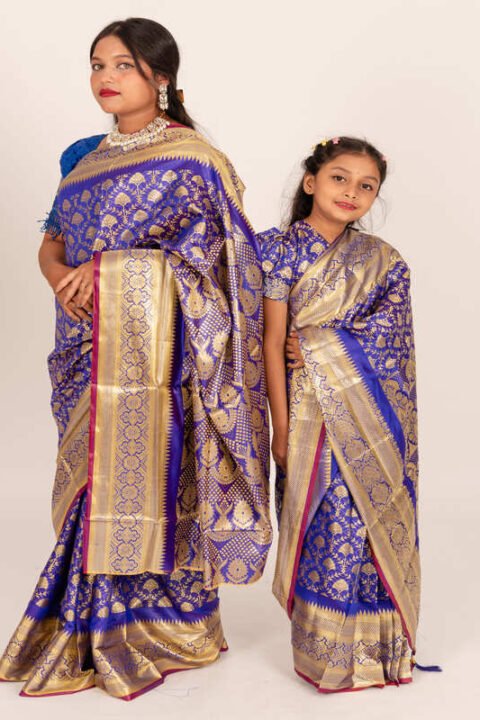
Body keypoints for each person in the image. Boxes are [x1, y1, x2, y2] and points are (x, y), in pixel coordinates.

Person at [0, 17, 271, 700]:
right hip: (87, 346)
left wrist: (109, 270)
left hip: (160, 361)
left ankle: (170, 627)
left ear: (161, 77)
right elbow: (53, 240)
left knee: (160, 481)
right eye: (97, 64)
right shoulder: (81, 157)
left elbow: (223, 266)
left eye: (122, 64)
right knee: (91, 477)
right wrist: (60, 277)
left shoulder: (194, 159)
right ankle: (90, 620)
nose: (105, 77)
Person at [261, 136, 421, 692]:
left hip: (370, 420)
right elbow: (270, 342)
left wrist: (318, 345)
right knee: (324, 526)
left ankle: (376, 652)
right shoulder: (275, 250)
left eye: (366, 185)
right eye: (339, 178)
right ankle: (324, 652)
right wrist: (281, 429)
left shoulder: (384, 262)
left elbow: (393, 346)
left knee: (367, 526)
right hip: (308, 422)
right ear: (311, 182)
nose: (352, 191)